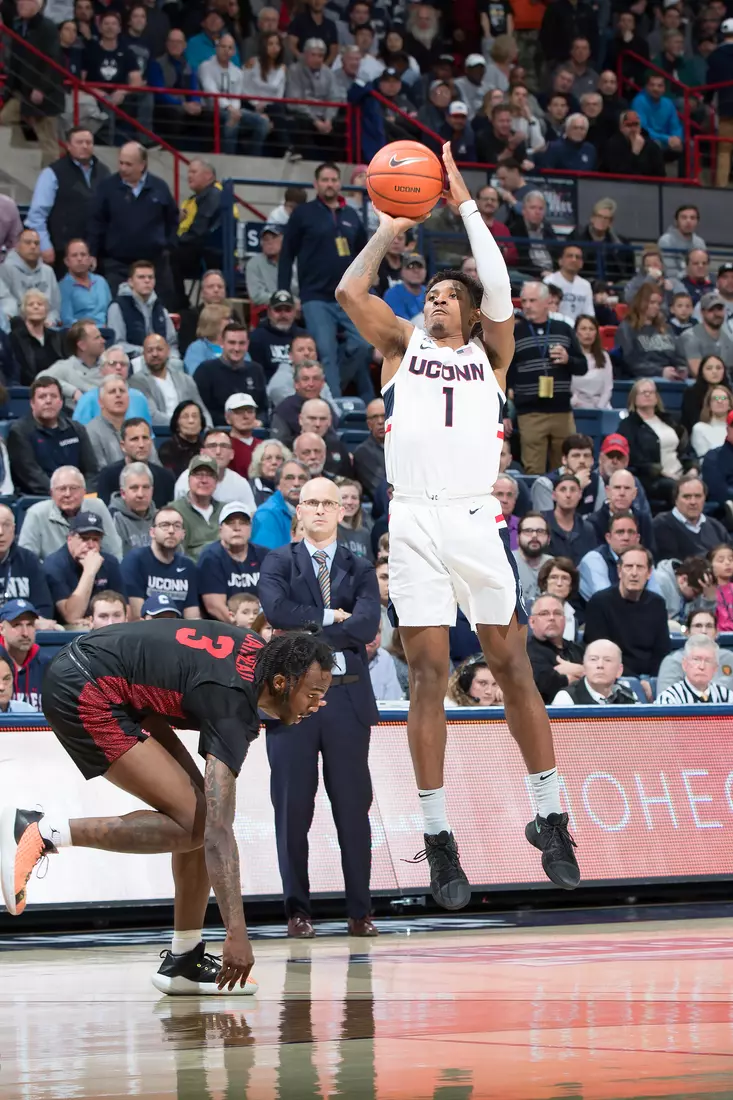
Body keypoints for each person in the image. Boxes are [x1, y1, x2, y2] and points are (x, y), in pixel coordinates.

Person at [336, 143, 580, 907]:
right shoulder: (399, 346)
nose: (436, 299)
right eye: (431, 293)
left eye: (449, 294)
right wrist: (387, 226)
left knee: (512, 667)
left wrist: (468, 205)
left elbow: (500, 285)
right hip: (411, 521)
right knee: (428, 677)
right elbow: (349, 290)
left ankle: (550, 815)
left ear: (473, 313)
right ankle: (439, 840)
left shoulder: (494, 356)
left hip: (476, 518)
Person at [1, 622, 333, 994]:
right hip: (84, 685)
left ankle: (184, 960)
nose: (318, 704)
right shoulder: (232, 703)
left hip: (109, 675)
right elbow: (219, 833)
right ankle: (37, 831)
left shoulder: (267, 661)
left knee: (199, 817)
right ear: (280, 683)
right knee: (201, 823)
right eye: (314, 694)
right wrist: (236, 935)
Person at [258, 476, 379, 936]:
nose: (321, 510)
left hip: (348, 698)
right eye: (312, 502)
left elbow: (367, 626)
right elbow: (276, 612)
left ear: (342, 510)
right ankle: (297, 911)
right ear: (299, 511)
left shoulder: (360, 565)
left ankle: (360, 911)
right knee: (292, 809)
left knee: (353, 808)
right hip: (290, 702)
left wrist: (305, 636)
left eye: (330, 502)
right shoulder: (278, 560)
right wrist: (333, 618)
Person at [278, 163, 372, 400]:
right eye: (325, 180)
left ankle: (328, 392)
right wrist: (285, 293)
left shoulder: (351, 215)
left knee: (363, 344)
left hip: (348, 297)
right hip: (315, 297)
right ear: (316, 184)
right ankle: (335, 406)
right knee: (326, 353)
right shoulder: (303, 213)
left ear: (340, 183)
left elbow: (364, 256)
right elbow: (286, 254)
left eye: (334, 180)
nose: (330, 184)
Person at [509, 281, 587, 474]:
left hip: (562, 411)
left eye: (532, 300)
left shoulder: (564, 328)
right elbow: (506, 374)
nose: (526, 305)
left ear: (547, 301)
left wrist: (568, 359)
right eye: (524, 300)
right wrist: (504, 412)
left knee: (566, 469)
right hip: (529, 413)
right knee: (533, 469)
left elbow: (582, 366)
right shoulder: (515, 332)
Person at [88, 143, 178, 304]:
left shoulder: (159, 187)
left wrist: (168, 246)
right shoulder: (107, 187)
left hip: (154, 263)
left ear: (142, 165)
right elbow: (96, 221)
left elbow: (172, 218)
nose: (123, 168)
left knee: (160, 307)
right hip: (117, 264)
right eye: (121, 163)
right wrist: (93, 252)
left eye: (128, 164)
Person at [26, 129, 110, 278]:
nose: (85, 146)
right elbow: (36, 215)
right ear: (68, 146)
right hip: (61, 253)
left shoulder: (104, 172)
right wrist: (45, 246)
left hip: (96, 252)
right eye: (79, 142)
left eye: (88, 142)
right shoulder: (52, 173)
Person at [584, 546, 670, 686]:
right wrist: (637, 682)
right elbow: (602, 651)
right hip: (616, 678)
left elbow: (661, 651)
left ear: (649, 573)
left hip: (652, 679)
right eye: (629, 567)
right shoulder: (600, 602)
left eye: (640, 567)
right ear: (619, 571)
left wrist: (653, 681)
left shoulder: (658, 603)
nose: (634, 573)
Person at [7, 375, 97, 495]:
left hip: (78, 497)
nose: (48, 401)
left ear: (61, 402)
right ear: (32, 403)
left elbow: (91, 471)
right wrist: (64, 494)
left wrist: (83, 494)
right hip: (40, 499)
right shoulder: (19, 432)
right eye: (42, 397)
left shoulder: (76, 429)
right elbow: (32, 477)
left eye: (53, 396)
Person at [0, 0, 65, 166]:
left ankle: (51, 180)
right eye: (19, 1)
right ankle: (19, 152)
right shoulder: (18, 26)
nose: (20, 4)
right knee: (3, 118)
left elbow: (53, 62)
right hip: (22, 92)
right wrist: (9, 89)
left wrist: (41, 88)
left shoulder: (48, 28)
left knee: (48, 140)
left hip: (43, 93)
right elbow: (15, 61)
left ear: (38, 5)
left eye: (25, 1)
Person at [18, 465, 121, 562]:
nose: (67, 494)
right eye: (62, 489)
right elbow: (27, 559)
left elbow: (113, 549)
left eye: (73, 488)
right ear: (51, 493)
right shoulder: (36, 513)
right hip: (52, 576)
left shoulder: (97, 506)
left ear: (84, 491)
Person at [617, 379, 692, 509]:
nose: (648, 395)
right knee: (678, 489)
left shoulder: (669, 420)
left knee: (701, 485)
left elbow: (684, 449)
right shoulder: (629, 426)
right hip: (652, 479)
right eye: (643, 392)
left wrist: (692, 468)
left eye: (651, 392)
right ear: (634, 399)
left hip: (679, 473)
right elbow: (634, 458)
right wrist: (661, 472)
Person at [43, 512, 125, 627]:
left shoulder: (110, 562)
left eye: (96, 539)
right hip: (65, 632)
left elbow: (124, 610)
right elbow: (72, 617)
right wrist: (89, 572)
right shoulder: (55, 565)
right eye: (84, 538)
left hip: (102, 624)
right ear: (70, 539)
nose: (91, 545)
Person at [121, 505, 200, 620]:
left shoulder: (188, 566)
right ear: (152, 532)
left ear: (183, 534)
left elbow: (193, 617)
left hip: (179, 632)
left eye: (177, 526)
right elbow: (137, 617)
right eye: (165, 525)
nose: (171, 531)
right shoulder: (135, 560)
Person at [198, 34, 270, 156]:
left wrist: (236, 110)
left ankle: (254, 156)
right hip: (211, 109)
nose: (226, 51)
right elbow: (210, 91)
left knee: (263, 122)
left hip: (233, 110)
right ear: (217, 48)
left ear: (234, 51)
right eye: (223, 47)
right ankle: (229, 156)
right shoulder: (205, 66)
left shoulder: (237, 72)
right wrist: (230, 109)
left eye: (230, 48)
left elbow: (237, 96)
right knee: (233, 120)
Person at [197, 503, 269, 621]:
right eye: (230, 523)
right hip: (223, 628)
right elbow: (215, 607)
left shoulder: (264, 555)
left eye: (243, 523)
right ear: (220, 529)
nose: (237, 528)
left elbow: (272, 597)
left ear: (250, 529)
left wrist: (261, 627)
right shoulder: (210, 558)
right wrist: (243, 630)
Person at [194, 322, 268, 426]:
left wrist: (260, 422)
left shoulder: (256, 370)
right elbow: (202, 410)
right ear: (222, 343)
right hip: (218, 432)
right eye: (232, 343)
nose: (237, 348)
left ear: (247, 344)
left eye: (241, 343)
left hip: (253, 431)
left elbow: (264, 409)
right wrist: (235, 422)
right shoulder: (205, 370)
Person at [96, 416, 175, 510]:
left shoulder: (166, 477)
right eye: (135, 439)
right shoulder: (108, 475)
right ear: (123, 446)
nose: (141, 445)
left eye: (145, 438)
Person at [107, 261, 180, 361]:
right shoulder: (118, 307)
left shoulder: (160, 308)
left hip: (162, 363)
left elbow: (171, 343)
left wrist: (173, 358)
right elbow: (117, 344)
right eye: (141, 277)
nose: (147, 281)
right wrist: (147, 352)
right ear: (130, 282)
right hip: (132, 362)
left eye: (150, 277)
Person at [173, 428, 257, 511]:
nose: (218, 451)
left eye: (224, 446)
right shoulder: (186, 479)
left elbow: (251, 514)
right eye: (212, 446)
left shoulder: (240, 483)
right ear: (202, 453)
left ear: (232, 454)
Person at [148, 29, 206, 148]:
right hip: (165, 105)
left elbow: (193, 87)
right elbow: (159, 93)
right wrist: (182, 104)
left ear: (184, 45)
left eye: (178, 42)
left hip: (184, 104)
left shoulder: (188, 65)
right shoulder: (157, 64)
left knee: (207, 115)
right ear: (167, 44)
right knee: (175, 114)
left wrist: (196, 102)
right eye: (172, 41)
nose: (175, 45)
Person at [615, 285, 687, 381]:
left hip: (669, 375)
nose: (656, 307)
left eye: (658, 303)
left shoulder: (666, 328)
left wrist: (681, 368)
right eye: (652, 302)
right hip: (641, 378)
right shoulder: (627, 328)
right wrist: (660, 372)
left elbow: (678, 356)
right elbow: (630, 362)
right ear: (641, 302)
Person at [653, 474, 729, 561]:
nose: (693, 502)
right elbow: (673, 563)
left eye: (698, 496)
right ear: (676, 500)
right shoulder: (661, 524)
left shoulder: (716, 527)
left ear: (704, 499)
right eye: (687, 497)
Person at [657, 608, 733, 694]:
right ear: (687, 632)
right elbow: (665, 701)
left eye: (709, 626)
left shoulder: (730, 658)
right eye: (698, 626)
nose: (703, 631)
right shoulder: (672, 661)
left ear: (716, 632)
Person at [526, 594, 585, 704]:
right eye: (544, 613)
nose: (552, 618)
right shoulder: (523, 650)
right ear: (532, 622)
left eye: (557, 613)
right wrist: (568, 679)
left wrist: (580, 670)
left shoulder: (578, 649)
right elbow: (540, 684)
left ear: (564, 620)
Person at [531, 433, 605, 516]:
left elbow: (599, 520)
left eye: (586, 456)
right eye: (576, 455)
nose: (582, 460)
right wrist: (576, 486)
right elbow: (546, 523)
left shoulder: (597, 480)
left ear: (592, 460)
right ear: (564, 460)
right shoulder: (545, 484)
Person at [579, 510, 645, 601]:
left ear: (638, 539)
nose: (626, 538)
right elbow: (606, 601)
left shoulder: (644, 559)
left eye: (631, 532)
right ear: (608, 538)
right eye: (620, 532)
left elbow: (656, 598)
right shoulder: (594, 559)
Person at [168, 455, 224, 562]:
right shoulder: (173, 511)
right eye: (198, 475)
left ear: (216, 481)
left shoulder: (226, 511)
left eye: (210, 475)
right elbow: (175, 555)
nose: (204, 480)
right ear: (189, 479)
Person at [551, 640, 638, 705]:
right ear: (584, 666)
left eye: (607, 660)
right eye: (593, 659)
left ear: (619, 670)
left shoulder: (629, 696)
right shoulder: (566, 698)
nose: (600, 665)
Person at [0, 599, 51, 710]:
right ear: (1, 629)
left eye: (30, 624)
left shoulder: (48, 666)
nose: (25, 633)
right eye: (17, 624)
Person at [7, 290, 64, 386]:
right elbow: (20, 370)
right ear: (24, 311)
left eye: (40, 304)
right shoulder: (14, 338)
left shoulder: (56, 337)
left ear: (46, 310)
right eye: (31, 304)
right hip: (29, 388)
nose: (36, 306)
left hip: (59, 386)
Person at [248, 291, 307, 382]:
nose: (283, 315)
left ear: (294, 312)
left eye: (287, 310)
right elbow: (256, 373)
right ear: (269, 312)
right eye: (278, 310)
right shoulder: (256, 338)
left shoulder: (304, 336)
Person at [655, 635, 732, 703]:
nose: (702, 666)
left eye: (708, 661)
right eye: (696, 659)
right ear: (685, 664)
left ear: (715, 669)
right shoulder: (669, 698)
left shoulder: (727, 697)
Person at [631, 73, 684, 170]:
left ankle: (685, 182)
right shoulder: (639, 101)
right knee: (655, 145)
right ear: (646, 87)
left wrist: (677, 138)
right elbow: (643, 129)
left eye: (660, 86)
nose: (656, 88)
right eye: (652, 85)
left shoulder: (668, 103)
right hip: (648, 140)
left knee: (690, 145)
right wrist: (667, 139)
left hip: (667, 141)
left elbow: (675, 127)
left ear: (664, 89)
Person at [543, 474, 598, 565]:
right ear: (554, 495)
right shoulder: (542, 523)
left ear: (580, 494)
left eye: (573, 490)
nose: (568, 495)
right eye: (563, 490)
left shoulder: (587, 529)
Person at [58, 240, 112, 330]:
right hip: (81, 335)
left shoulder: (101, 281)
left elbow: (111, 311)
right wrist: (93, 329)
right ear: (67, 261)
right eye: (74, 255)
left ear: (90, 259)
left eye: (83, 255)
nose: (79, 259)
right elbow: (67, 321)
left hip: (108, 331)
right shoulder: (62, 287)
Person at [84, 376, 134, 468]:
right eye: (112, 392)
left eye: (122, 391)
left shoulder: (137, 428)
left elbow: (154, 464)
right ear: (100, 402)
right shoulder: (91, 431)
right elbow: (99, 472)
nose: (118, 395)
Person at [680, 293, 733, 377]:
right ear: (702, 312)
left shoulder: (728, 338)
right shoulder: (690, 337)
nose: (716, 314)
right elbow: (698, 373)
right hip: (695, 386)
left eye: (719, 309)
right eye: (711, 310)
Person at [109, 462, 156, 556]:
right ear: (123, 493)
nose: (140, 494)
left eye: (145, 487)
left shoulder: (159, 517)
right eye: (134, 488)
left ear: (152, 490)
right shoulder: (113, 519)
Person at [246, 229, 299, 309]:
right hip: (270, 308)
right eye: (266, 239)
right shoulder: (254, 263)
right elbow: (257, 296)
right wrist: (287, 300)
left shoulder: (295, 261)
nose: (269, 242)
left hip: (299, 308)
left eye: (274, 238)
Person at [571, 315, 613, 410]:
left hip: (601, 407)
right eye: (583, 329)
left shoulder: (604, 356)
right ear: (576, 333)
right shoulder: (569, 357)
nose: (588, 333)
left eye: (591, 329)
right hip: (576, 407)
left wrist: (599, 409)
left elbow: (608, 388)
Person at [543, 245, 594, 322]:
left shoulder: (586, 285)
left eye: (577, 257)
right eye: (569, 256)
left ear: (581, 264)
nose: (574, 260)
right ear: (560, 261)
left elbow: (589, 314)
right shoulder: (549, 281)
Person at [658, 204, 706, 281]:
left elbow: (704, 269)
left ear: (697, 222)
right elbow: (670, 273)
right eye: (684, 217)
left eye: (692, 218)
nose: (688, 221)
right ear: (676, 221)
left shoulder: (700, 242)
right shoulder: (666, 240)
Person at [513, 511, 553, 604]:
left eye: (540, 531)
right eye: (528, 531)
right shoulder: (506, 563)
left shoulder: (555, 566)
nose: (534, 536)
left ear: (548, 539)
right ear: (517, 538)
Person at [158, 401, 205, 479]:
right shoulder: (168, 449)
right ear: (177, 423)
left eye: (195, 416)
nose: (191, 421)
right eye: (185, 417)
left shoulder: (207, 446)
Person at [352, 398, 386, 501]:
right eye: (375, 417)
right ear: (369, 424)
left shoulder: (405, 446)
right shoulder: (363, 453)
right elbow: (382, 490)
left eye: (384, 416)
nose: (380, 422)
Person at [691, 385, 733, 458]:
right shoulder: (700, 428)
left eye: (723, 398)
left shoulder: (731, 429)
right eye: (715, 398)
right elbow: (704, 458)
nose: (719, 401)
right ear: (709, 405)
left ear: (729, 404)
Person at [384, 254, 427, 323]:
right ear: (402, 272)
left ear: (425, 271)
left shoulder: (430, 293)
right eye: (410, 267)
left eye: (420, 267)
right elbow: (400, 325)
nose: (416, 271)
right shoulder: (393, 294)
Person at [366, 627, 404, 701]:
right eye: (367, 630)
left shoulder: (385, 658)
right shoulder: (340, 658)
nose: (373, 637)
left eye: (377, 632)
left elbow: (394, 702)